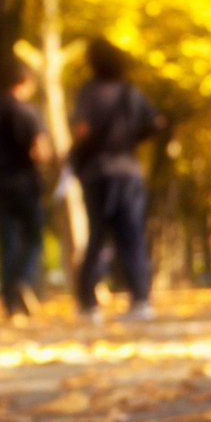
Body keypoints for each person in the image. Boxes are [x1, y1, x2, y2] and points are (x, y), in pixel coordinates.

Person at [70, 38, 165, 322]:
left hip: (99, 172)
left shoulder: (89, 92)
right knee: (132, 236)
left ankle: (88, 304)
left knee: (97, 236)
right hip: (129, 172)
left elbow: (81, 130)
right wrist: (133, 138)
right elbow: (157, 122)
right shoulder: (130, 92)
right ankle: (140, 300)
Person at [0, 61, 50, 318]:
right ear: (24, 82)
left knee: (7, 242)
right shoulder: (28, 113)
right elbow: (40, 151)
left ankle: (9, 302)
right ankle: (23, 279)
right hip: (26, 183)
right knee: (33, 238)